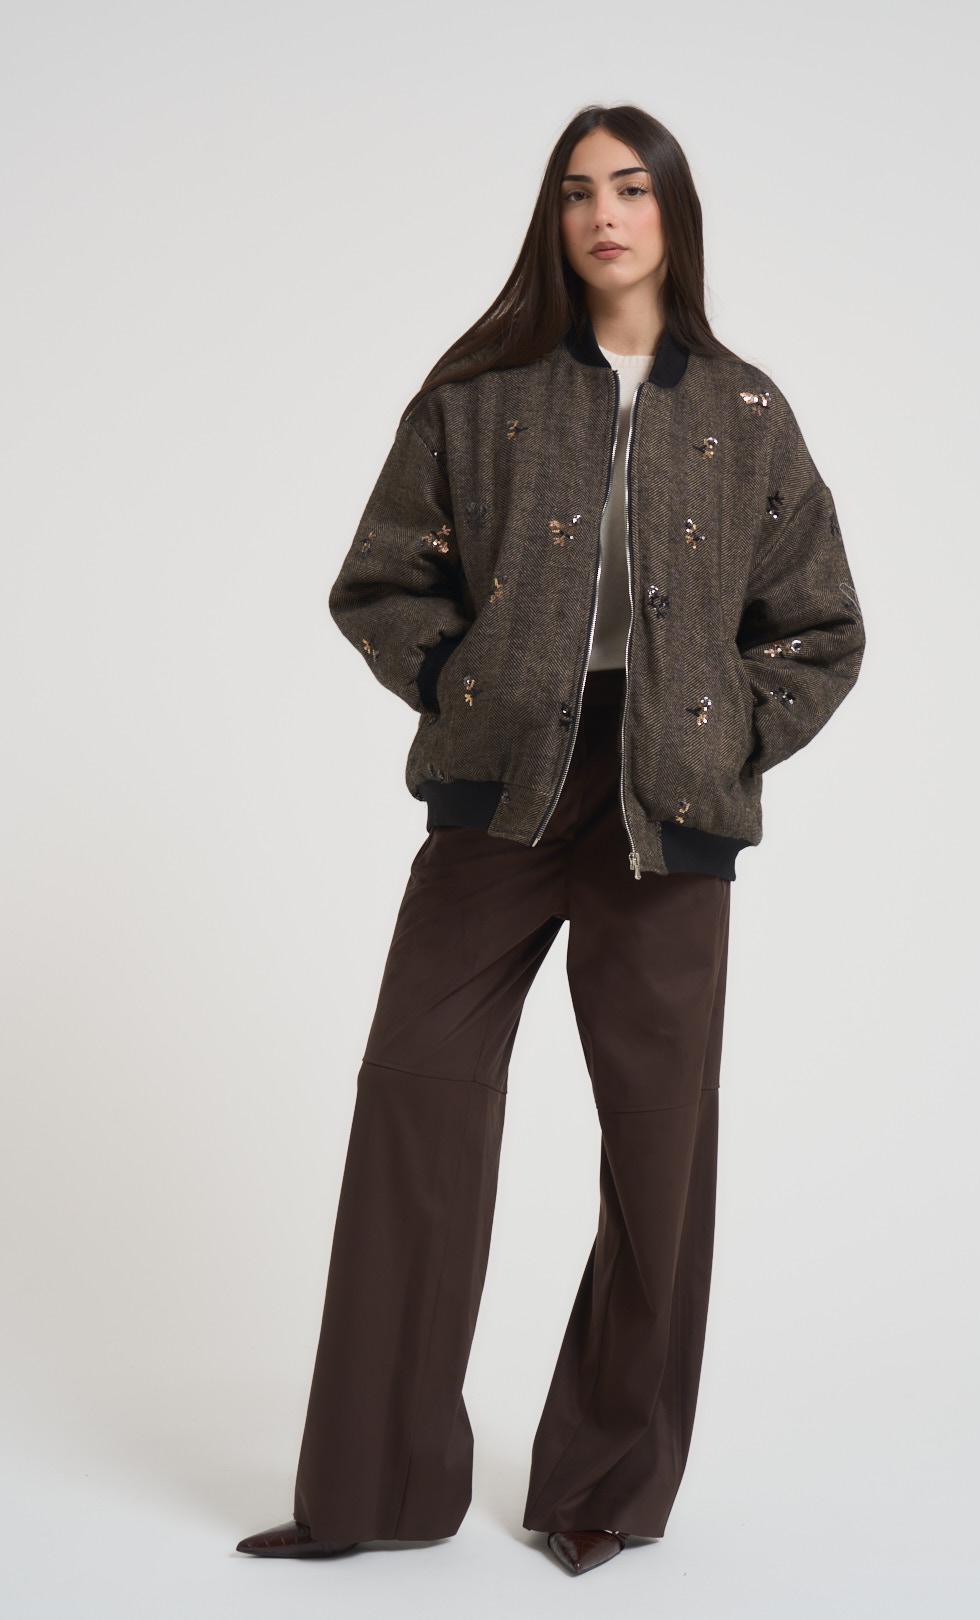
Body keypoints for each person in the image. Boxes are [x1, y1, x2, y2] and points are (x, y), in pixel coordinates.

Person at [236, 103, 865, 1579]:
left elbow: (820, 626)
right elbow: (381, 582)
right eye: (579, 191)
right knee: (417, 1096)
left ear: (673, 213)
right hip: (500, 795)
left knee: (658, 1149)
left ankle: (606, 1486)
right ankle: (373, 1485)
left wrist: (723, 736)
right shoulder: (479, 397)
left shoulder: (749, 412)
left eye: (631, 188)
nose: (605, 215)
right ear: (554, 218)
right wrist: (471, 689)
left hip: (669, 811)